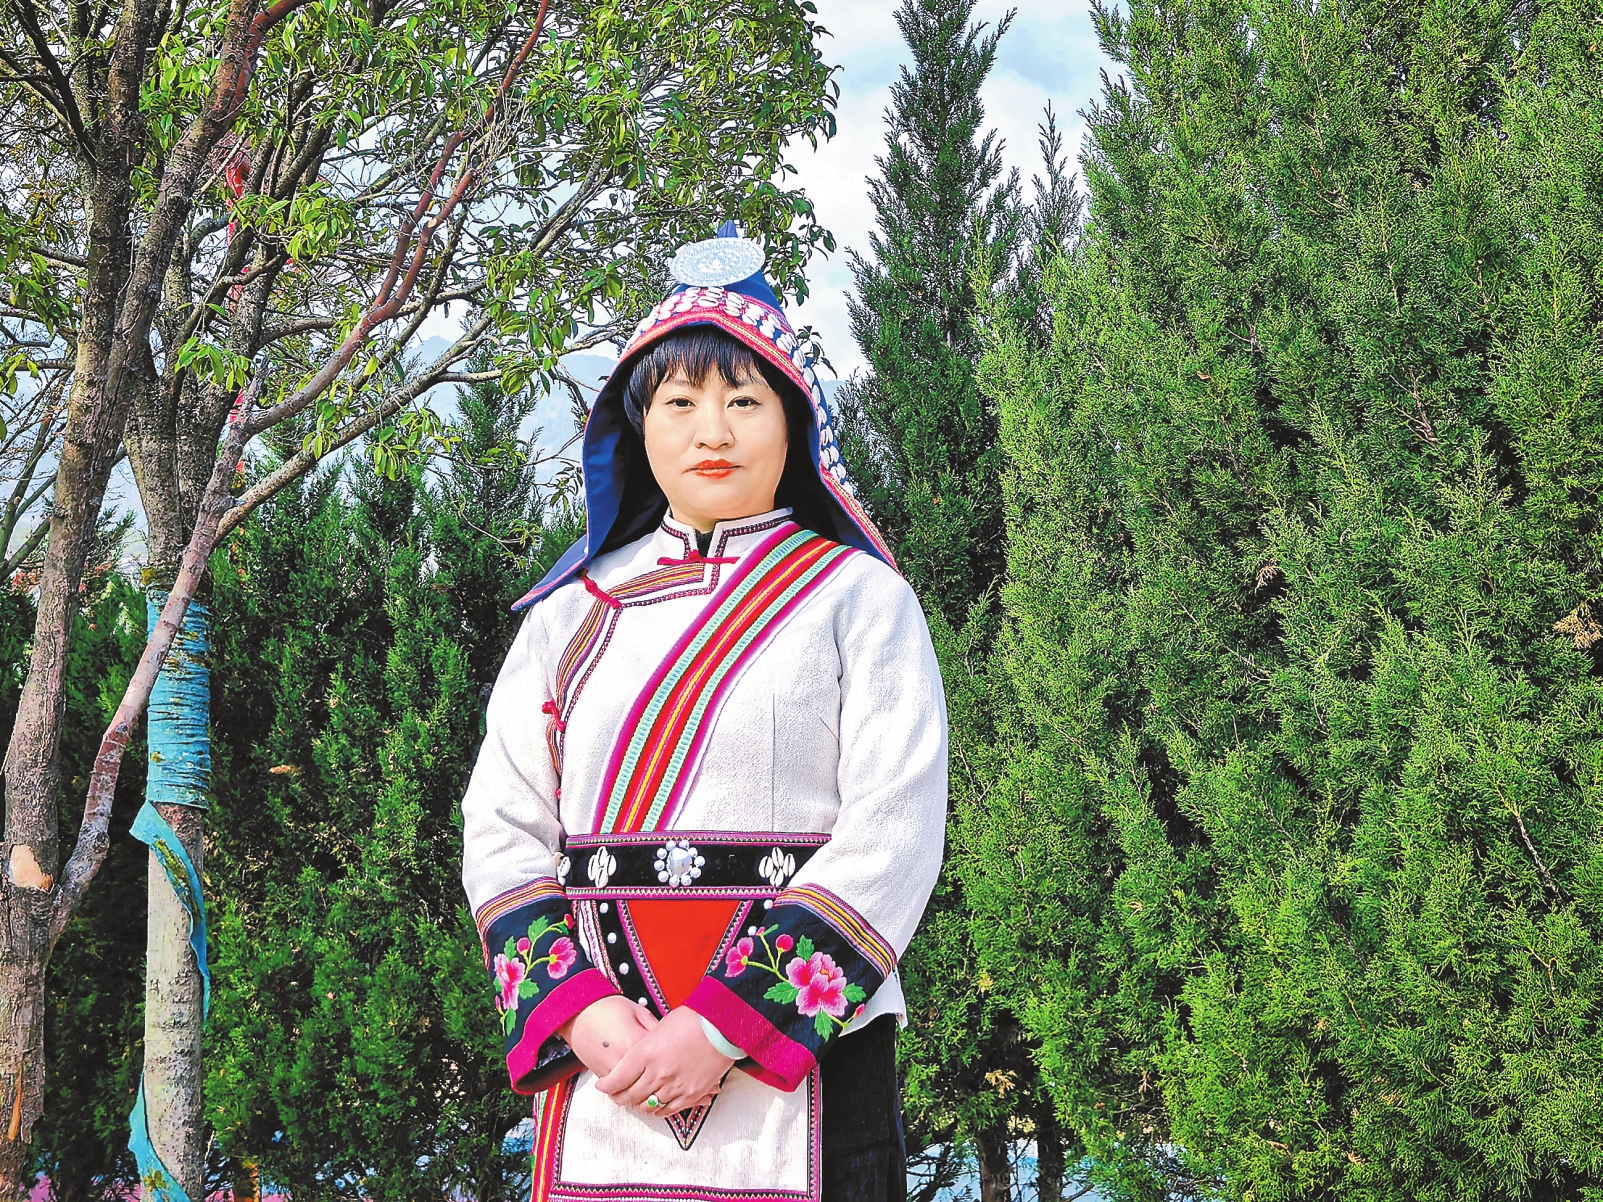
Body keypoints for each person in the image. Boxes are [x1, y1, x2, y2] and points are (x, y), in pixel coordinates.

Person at [461, 223, 947, 1202]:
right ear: (638, 425)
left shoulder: (861, 599)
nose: (711, 432)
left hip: (808, 1051)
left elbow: (893, 827)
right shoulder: (568, 612)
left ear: (793, 422)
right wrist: (588, 1016)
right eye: (679, 402)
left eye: (743, 401)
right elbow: (502, 823)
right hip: (605, 1056)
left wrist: (723, 1026)